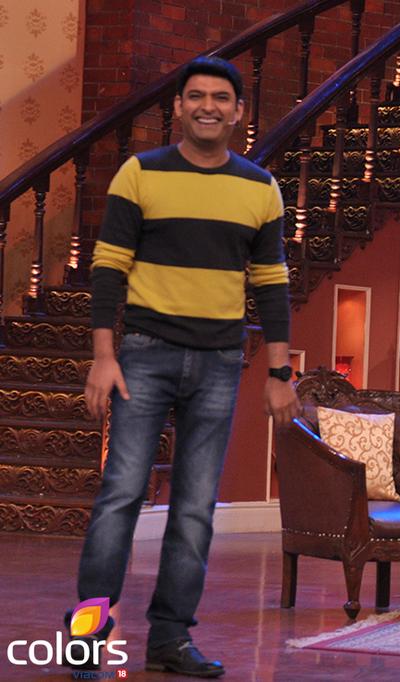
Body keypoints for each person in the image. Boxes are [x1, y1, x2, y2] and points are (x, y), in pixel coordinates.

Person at [67, 56, 301, 677]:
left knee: (195, 509)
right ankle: (86, 639)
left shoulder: (260, 187)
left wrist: (279, 373)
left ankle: (170, 639)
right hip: (144, 354)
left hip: (221, 363)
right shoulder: (140, 173)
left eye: (220, 98)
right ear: (177, 107)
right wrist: (103, 356)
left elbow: (272, 284)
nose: (207, 107)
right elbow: (109, 268)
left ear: (239, 111)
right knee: (120, 496)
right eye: (195, 96)